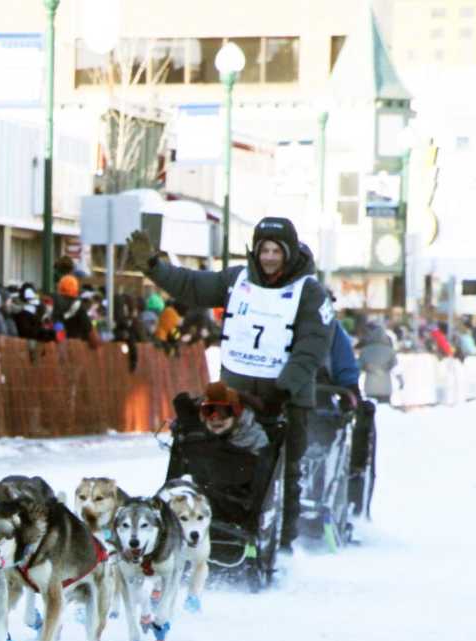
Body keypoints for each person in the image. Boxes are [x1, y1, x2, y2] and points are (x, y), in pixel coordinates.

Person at [127, 215, 333, 552]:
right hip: (236, 391)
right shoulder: (238, 279)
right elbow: (191, 284)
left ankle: (281, 544)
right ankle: (213, 532)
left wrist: (286, 386)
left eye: (276, 251)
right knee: (223, 459)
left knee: (285, 469)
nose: (269, 257)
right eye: (263, 249)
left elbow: (313, 344)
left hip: (287, 397)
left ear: (290, 252)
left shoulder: (309, 292)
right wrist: (152, 265)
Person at [197, 380, 268, 452]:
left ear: (238, 413)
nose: (215, 418)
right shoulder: (199, 438)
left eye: (222, 412)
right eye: (209, 411)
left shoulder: (257, 439)